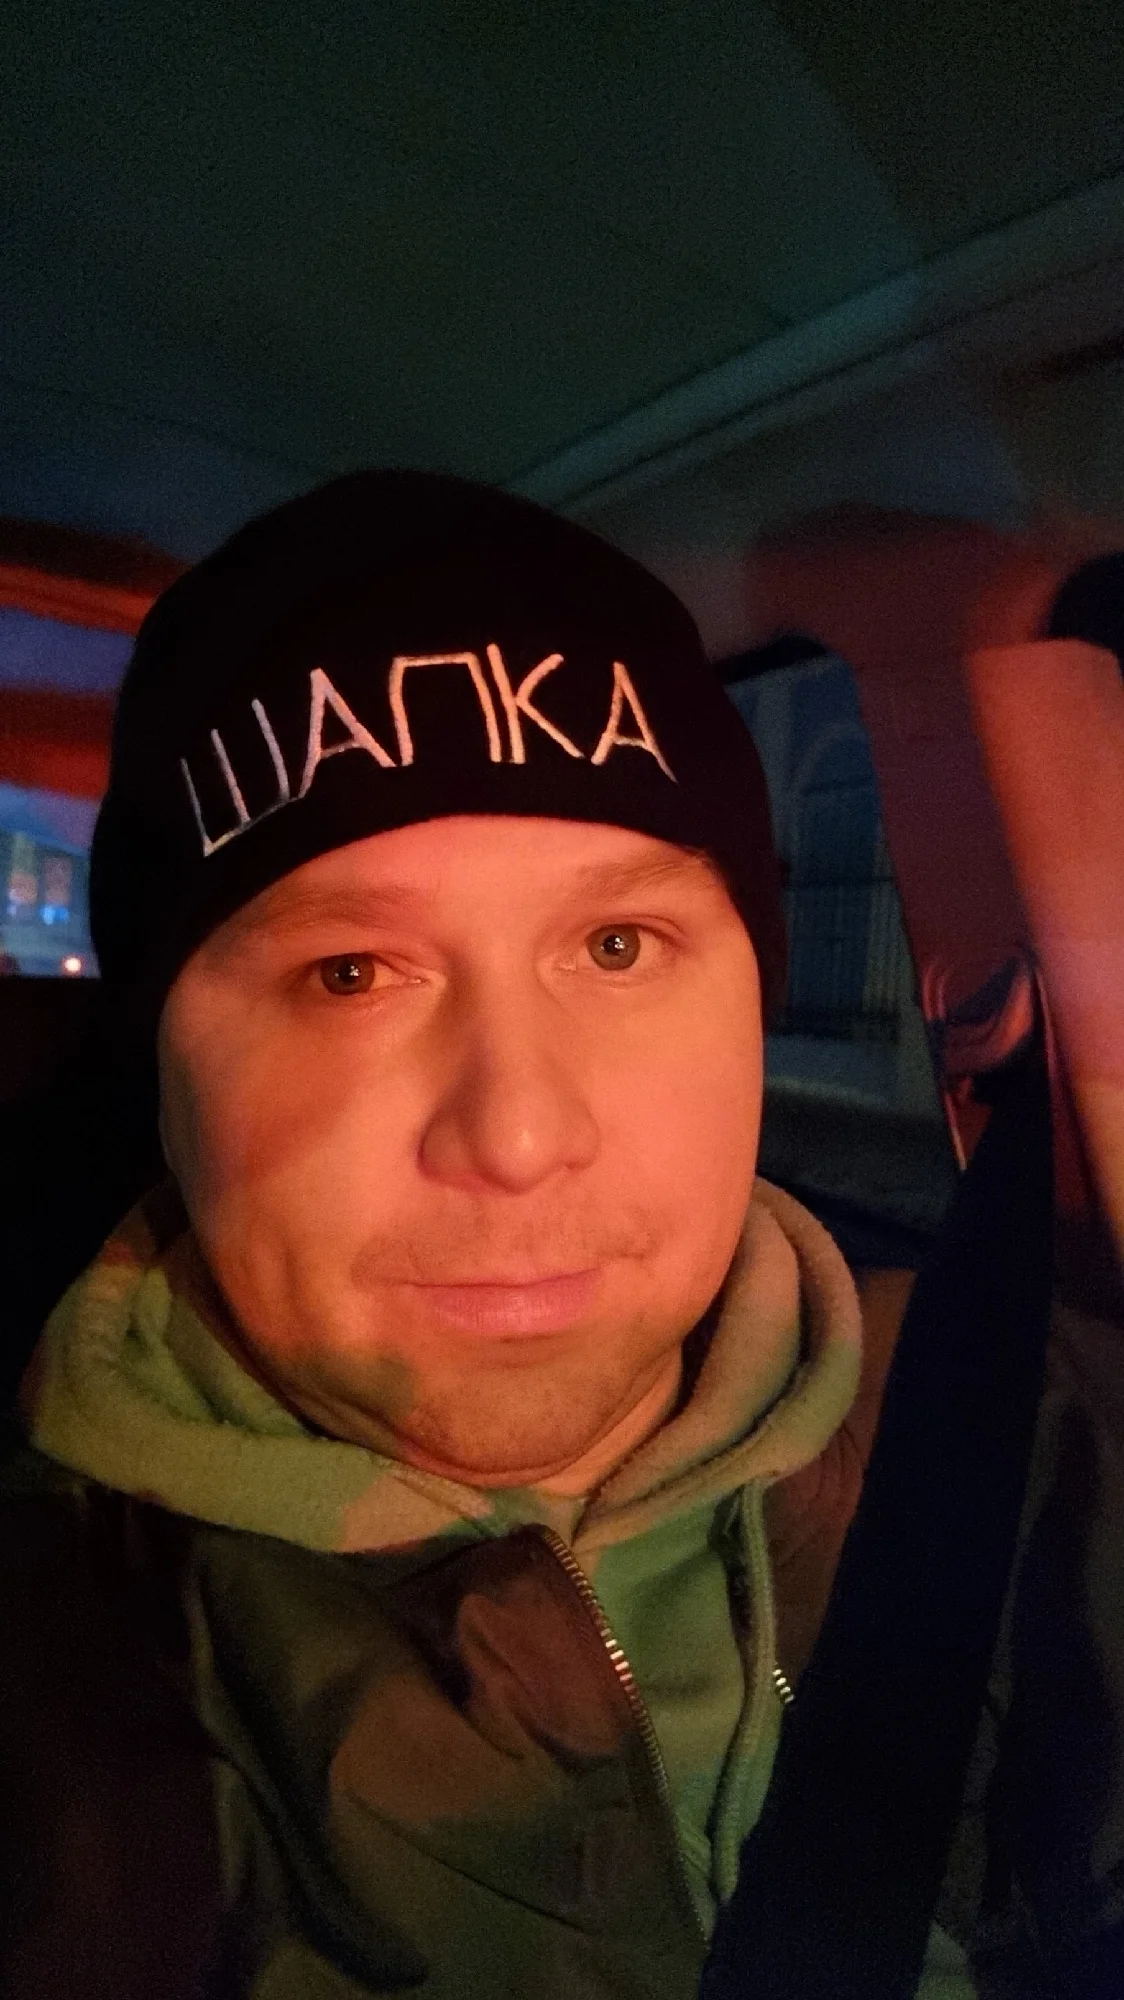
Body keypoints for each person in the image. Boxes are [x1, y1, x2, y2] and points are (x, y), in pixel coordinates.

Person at [0, 472, 1109, 2000]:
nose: (519, 1137)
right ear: (162, 1068)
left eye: (616, 944)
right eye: (349, 974)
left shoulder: (1055, 1436)